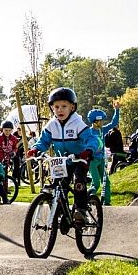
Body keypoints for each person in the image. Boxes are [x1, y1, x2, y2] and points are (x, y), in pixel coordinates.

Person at [26, 87, 99, 226]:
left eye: (64, 106)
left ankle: (81, 210)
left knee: (79, 183)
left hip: (80, 159)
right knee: (58, 185)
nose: (60, 110)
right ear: (52, 108)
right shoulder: (51, 125)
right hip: (61, 160)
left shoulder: (78, 123)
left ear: (72, 107)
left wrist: (89, 150)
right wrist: (35, 149)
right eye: (56, 107)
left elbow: (91, 139)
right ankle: (60, 210)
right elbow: (44, 141)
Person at [83, 102, 120, 206]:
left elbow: (114, 123)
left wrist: (117, 110)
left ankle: (106, 202)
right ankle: (85, 201)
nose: (102, 122)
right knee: (96, 183)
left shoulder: (102, 130)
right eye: (101, 120)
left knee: (106, 182)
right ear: (95, 121)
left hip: (101, 160)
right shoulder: (88, 132)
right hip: (93, 161)